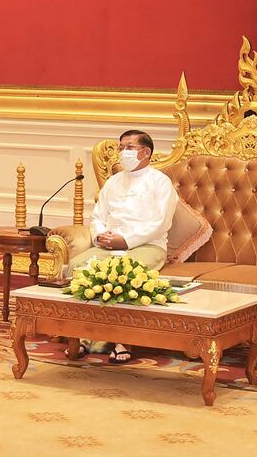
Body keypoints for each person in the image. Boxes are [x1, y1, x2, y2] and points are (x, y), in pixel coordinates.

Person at [66, 130, 178, 364]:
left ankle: (122, 341)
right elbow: (97, 216)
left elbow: (160, 223)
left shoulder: (160, 182)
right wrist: (100, 237)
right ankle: (81, 337)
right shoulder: (113, 181)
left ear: (146, 152)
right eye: (121, 148)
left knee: (124, 272)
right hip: (108, 244)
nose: (123, 153)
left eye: (129, 147)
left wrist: (125, 241)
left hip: (146, 245)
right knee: (77, 266)